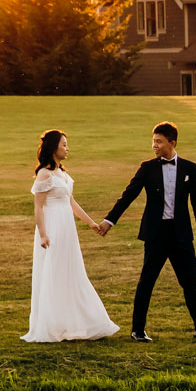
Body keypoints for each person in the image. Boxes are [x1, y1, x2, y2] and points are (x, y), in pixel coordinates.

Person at [98, 122, 196, 343]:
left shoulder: (189, 168)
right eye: (153, 141)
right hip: (156, 234)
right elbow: (128, 195)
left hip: (181, 235)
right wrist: (110, 220)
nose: (154, 145)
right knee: (147, 281)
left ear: (172, 143)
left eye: (159, 141)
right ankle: (137, 330)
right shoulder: (147, 168)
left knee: (190, 283)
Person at [23, 130, 119, 343]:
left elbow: (71, 202)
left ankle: (75, 320)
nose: (67, 149)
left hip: (67, 227)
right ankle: (51, 323)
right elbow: (38, 207)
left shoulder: (63, 174)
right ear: (53, 147)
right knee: (53, 272)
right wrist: (43, 234)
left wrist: (91, 223)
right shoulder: (44, 174)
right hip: (52, 227)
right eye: (64, 145)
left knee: (71, 271)